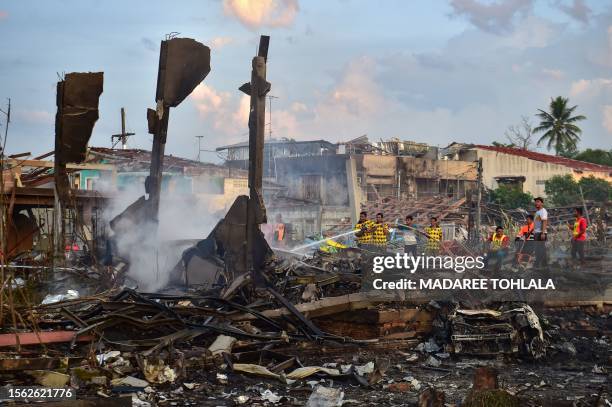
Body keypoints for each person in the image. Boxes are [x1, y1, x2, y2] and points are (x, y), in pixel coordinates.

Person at [533, 197, 548, 268]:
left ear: (542, 203)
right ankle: (542, 264)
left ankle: (539, 264)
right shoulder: (537, 212)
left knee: (540, 249)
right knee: (538, 249)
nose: (536, 203)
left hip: (540, 233)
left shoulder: (543, 211)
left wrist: (542, 233)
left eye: (538, 201)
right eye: (536, 202)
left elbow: (544, 222)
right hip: (537, 233)